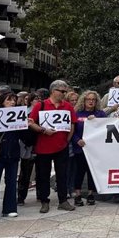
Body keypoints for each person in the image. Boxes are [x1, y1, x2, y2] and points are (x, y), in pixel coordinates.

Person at [28, 80, 78, 213]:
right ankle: (44, 201)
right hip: (43, 147)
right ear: (53, 91)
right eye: (61, 91)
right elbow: (31, 122)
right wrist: (43, 130)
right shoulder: (41, 105)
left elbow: (72, 124)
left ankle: (63, 200)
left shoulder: (67, 106)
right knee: (43, 175)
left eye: (65, 91)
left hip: (62, 146)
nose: (64, 94)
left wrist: (66, 141)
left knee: (62, 175)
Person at [0, 91, 24, 220]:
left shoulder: (19, 115)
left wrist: (27, 125)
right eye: (9, 100)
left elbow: (26, 138)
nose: (12, 102)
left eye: (14, 100)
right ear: (2, 101)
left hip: (13, 153)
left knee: (11, 182)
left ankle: (10, 208)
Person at [72, 90, 106, 206]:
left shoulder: (100, 114)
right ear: (84, 101)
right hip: (80, 148)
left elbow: (106, 128)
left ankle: (91, 194)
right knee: (79, 172)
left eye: (93, 99)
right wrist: (77, 140)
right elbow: (72, 131)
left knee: (92, 172)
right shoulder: (77, 113)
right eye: (88, 99)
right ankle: (77, 194)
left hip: (95, 150)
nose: (91, 101)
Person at [17, 92, 40, 206]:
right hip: (27, 146)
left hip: (39, 145)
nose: (38, 101)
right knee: (25, 173)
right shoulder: (24, 112)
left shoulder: (43, 112)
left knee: (40, 172)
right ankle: (21, 197)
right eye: (36, 99)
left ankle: (41, 195)